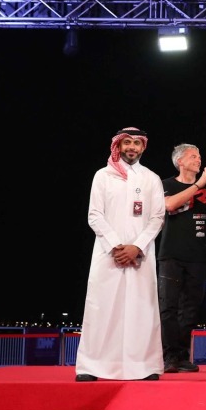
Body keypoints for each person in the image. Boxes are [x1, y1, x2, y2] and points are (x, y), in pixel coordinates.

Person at [75, 127, 166, 382]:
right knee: (102, 308)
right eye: (127, 142)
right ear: (118, 145)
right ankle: (92, 366)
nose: (131, 148)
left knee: (141, 309)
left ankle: (144, 366)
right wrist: (117, 246)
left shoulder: (152, 179)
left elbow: (158, 218)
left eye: (137, 143)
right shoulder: (102, 176)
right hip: (108, 255)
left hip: (140, 255)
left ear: (143, 147)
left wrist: (136, 247)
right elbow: (94, 215)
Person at [157, 145, 206, 373]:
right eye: (193, 156)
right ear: (180, 162)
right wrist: (198, 184)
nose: (198, 159)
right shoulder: (167, 184)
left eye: (199, 155)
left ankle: (183, 356)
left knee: (191, 308)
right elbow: (169, 204)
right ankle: (169, 356)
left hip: (197, 256)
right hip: (171, 255)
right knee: (169, 307)